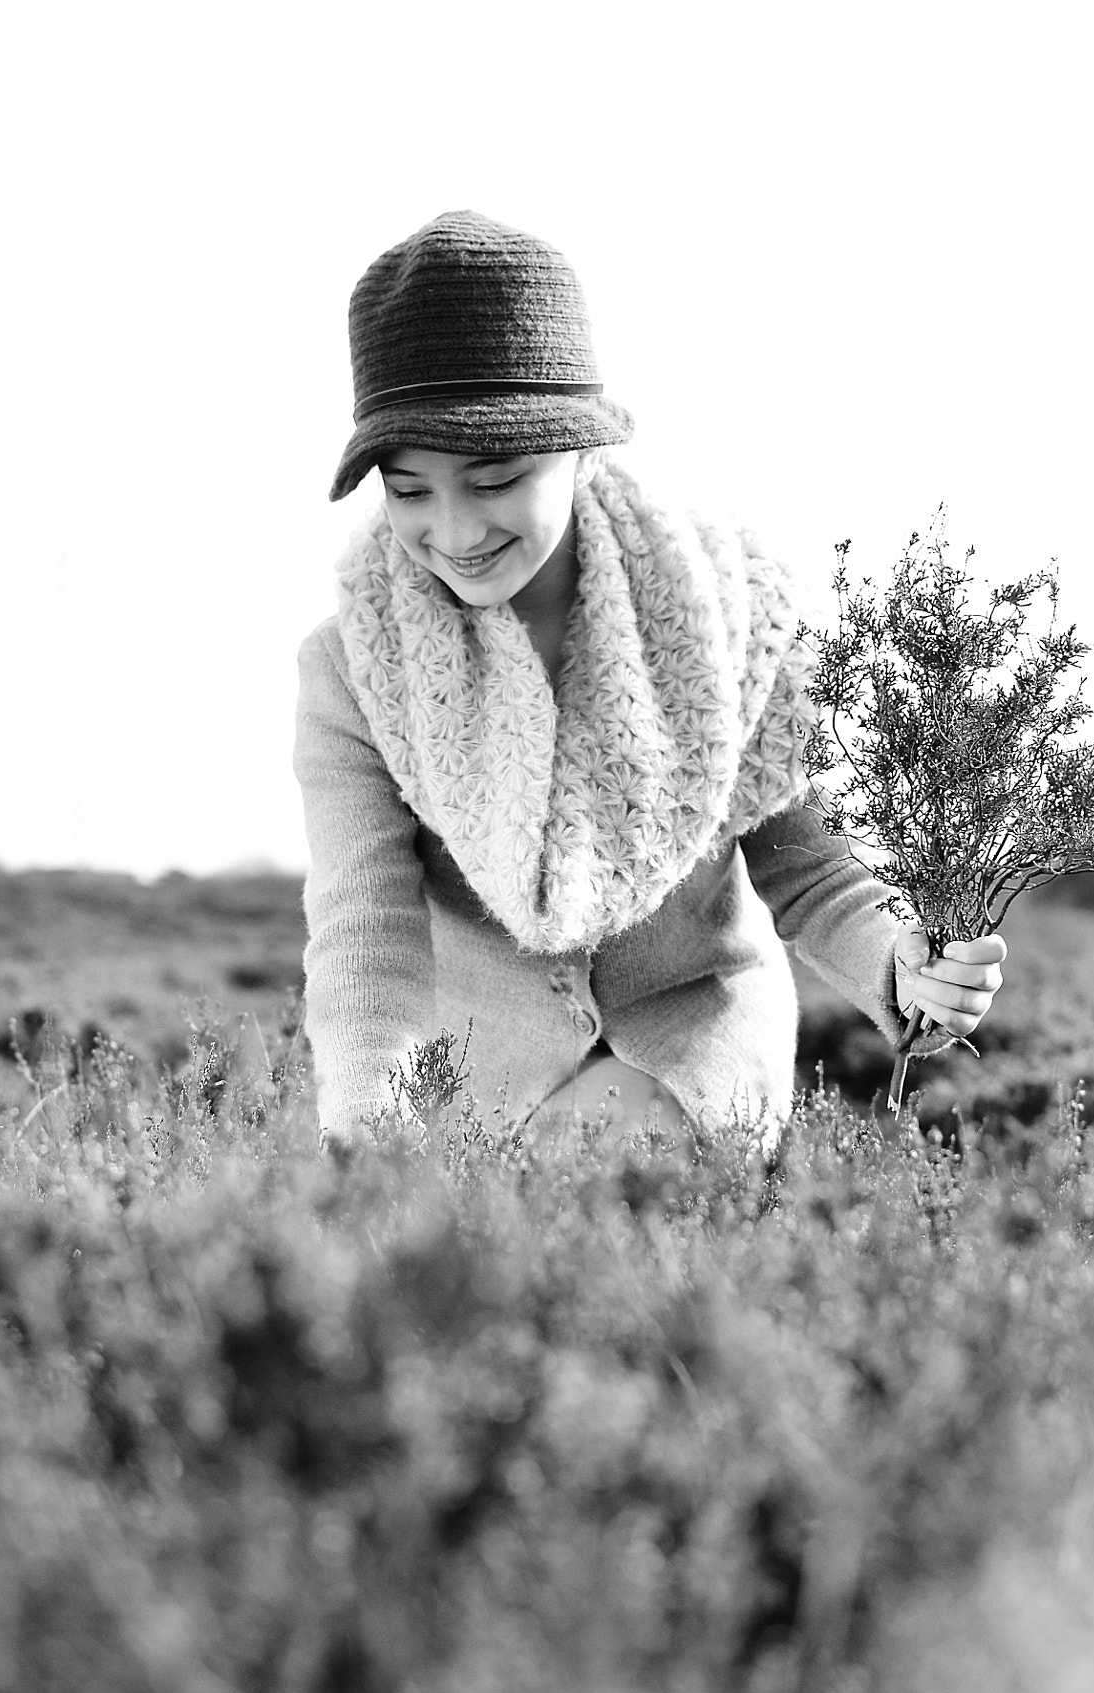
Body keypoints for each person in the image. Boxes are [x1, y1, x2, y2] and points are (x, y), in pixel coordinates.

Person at [293, 210, 1005, 1143]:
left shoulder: (728, 616)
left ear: (581, 447)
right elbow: (363, 925)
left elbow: (808, 866)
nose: (456, 533)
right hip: (475, 1077)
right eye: (411, 489)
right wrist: (368, 1138)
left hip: (694, 1054)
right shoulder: (351, 665)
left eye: (496, 478)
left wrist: (904, 966)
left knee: (615, 1146)